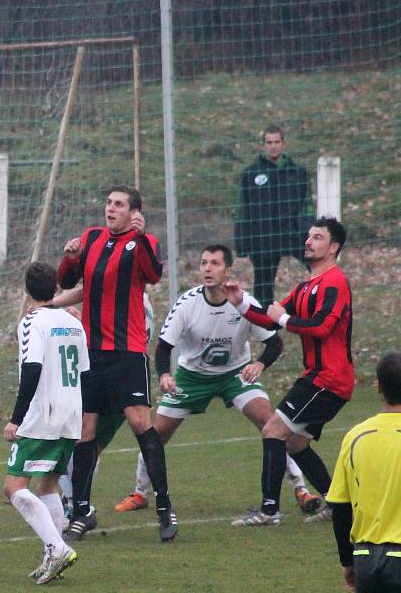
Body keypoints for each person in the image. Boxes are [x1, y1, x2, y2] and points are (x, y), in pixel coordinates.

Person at [112, 244, 321, 516]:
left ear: (228, 270)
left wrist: (259, 364)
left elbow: (274, 343)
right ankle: (140, 493)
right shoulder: (187, 304)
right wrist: (164, 375)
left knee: (271, 424)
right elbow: (163, 347)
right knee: (156, 433)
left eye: (214, 263)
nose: (207, 269)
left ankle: (300, 489)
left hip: (235, 374)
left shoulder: (243, 302)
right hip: (192, 377)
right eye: (204, 263)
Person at [56, 185, 177, 543]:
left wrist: (139, 239)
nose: (111, 208)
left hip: (127, 350)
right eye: (108, 202)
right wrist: (69, 256)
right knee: (85, 430)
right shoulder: (91, 238)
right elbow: (66, 280)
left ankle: (164, 508)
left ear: (134, 211)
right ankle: (81, 511)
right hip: (91, 351)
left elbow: (153, 275)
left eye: (119, 204)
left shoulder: (145, 242)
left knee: (140, 422)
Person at [223, 216, 353, 526]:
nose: (309, 242)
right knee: (295, 443)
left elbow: (321, 327)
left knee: (273, 430)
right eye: (309, 236)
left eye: (317, 237)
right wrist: (240, 303)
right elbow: (270, 318)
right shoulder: (307, 285)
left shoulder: (335, 282)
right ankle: (337, 505)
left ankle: (269, 511)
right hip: (320, 377)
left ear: (333, 247)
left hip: (329, 379)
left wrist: (282, 319)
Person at [3, 262, 88, 584]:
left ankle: (57, 547)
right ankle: (53, 553)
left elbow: (32, 370)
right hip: (71, 413)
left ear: (27, 290)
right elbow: (86, 373)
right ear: (56, 288)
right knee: (49, 484)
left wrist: (16, 419)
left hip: (43, 414)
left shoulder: (31, 322)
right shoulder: (72, 322)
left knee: (13, 486)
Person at [327, 353, 401, 593]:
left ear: (378, 387)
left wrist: (347, 562)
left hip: (365, 558)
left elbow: (339, 506)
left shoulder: (355, 436)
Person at [234, 125, 313, 307]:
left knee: (318, 271)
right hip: (264, 238)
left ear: (283, 144)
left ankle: (319, 310)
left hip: (294, 234)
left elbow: (307, 205)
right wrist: (242, 244)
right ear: (263, 145)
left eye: (277, 142)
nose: (273, 146)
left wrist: (309, 231)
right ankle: (264, 327)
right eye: (269, 142)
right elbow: (241, 209)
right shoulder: (251, 173)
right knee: (263, 286)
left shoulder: (298, 172)